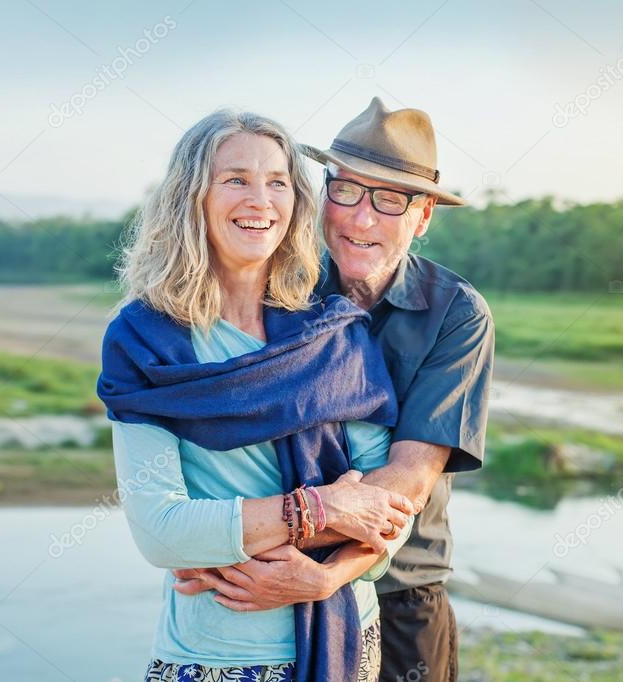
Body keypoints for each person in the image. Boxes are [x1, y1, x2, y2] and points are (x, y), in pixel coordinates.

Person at [96, 109, 416, 682]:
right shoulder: (147, 338)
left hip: (346, 638)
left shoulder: (334, 332)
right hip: (216, 652)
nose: (260, 200)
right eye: (236, 179)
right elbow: (161, 530)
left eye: (277, 182)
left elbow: (388, 513)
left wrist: (325, 573)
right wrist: (326, 507)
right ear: (192, 196)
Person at [182, 98, 494, 681]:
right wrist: (214, 543)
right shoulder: (277, 285)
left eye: (390, 199)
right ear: (323, 192)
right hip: (255, 594)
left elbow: (407, 481)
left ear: (423, 215)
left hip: (399, 595)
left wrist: (269, 555)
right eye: (346, 190)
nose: (360, 219)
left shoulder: (456, 314)